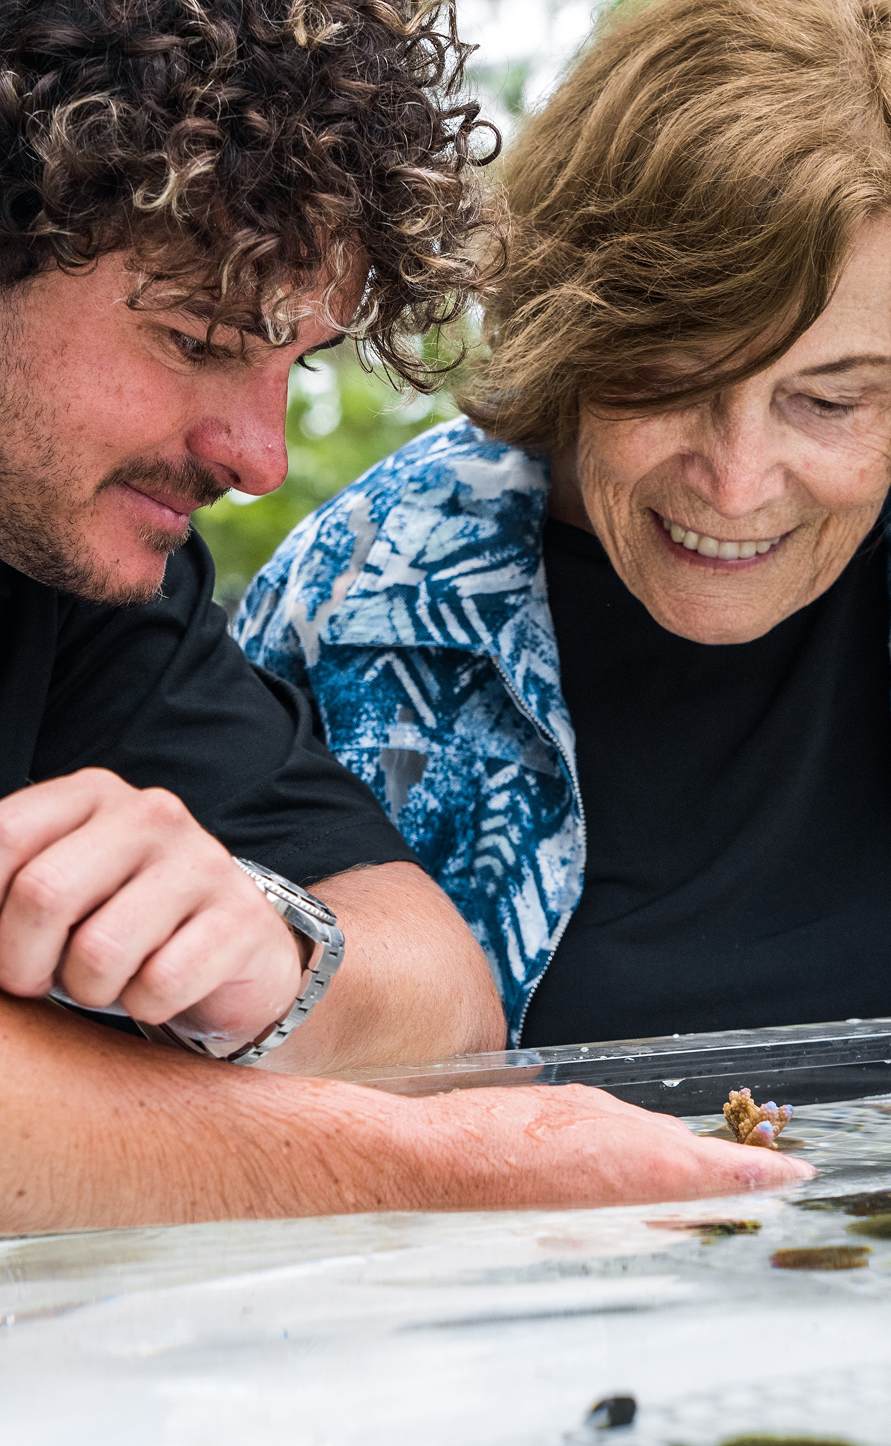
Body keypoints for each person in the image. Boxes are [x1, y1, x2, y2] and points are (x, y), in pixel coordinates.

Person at [0, 0, 810, 1234]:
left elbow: (444, 993)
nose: (261, 459)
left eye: (294, 367)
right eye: (199, 339)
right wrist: (436, 1163)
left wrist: (272, 955)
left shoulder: (79, 573)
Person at [238, 0, 891, 1055]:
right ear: (569, 336)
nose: (735, 485)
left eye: (830, 403)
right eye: (670, 381)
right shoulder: (357, 604)